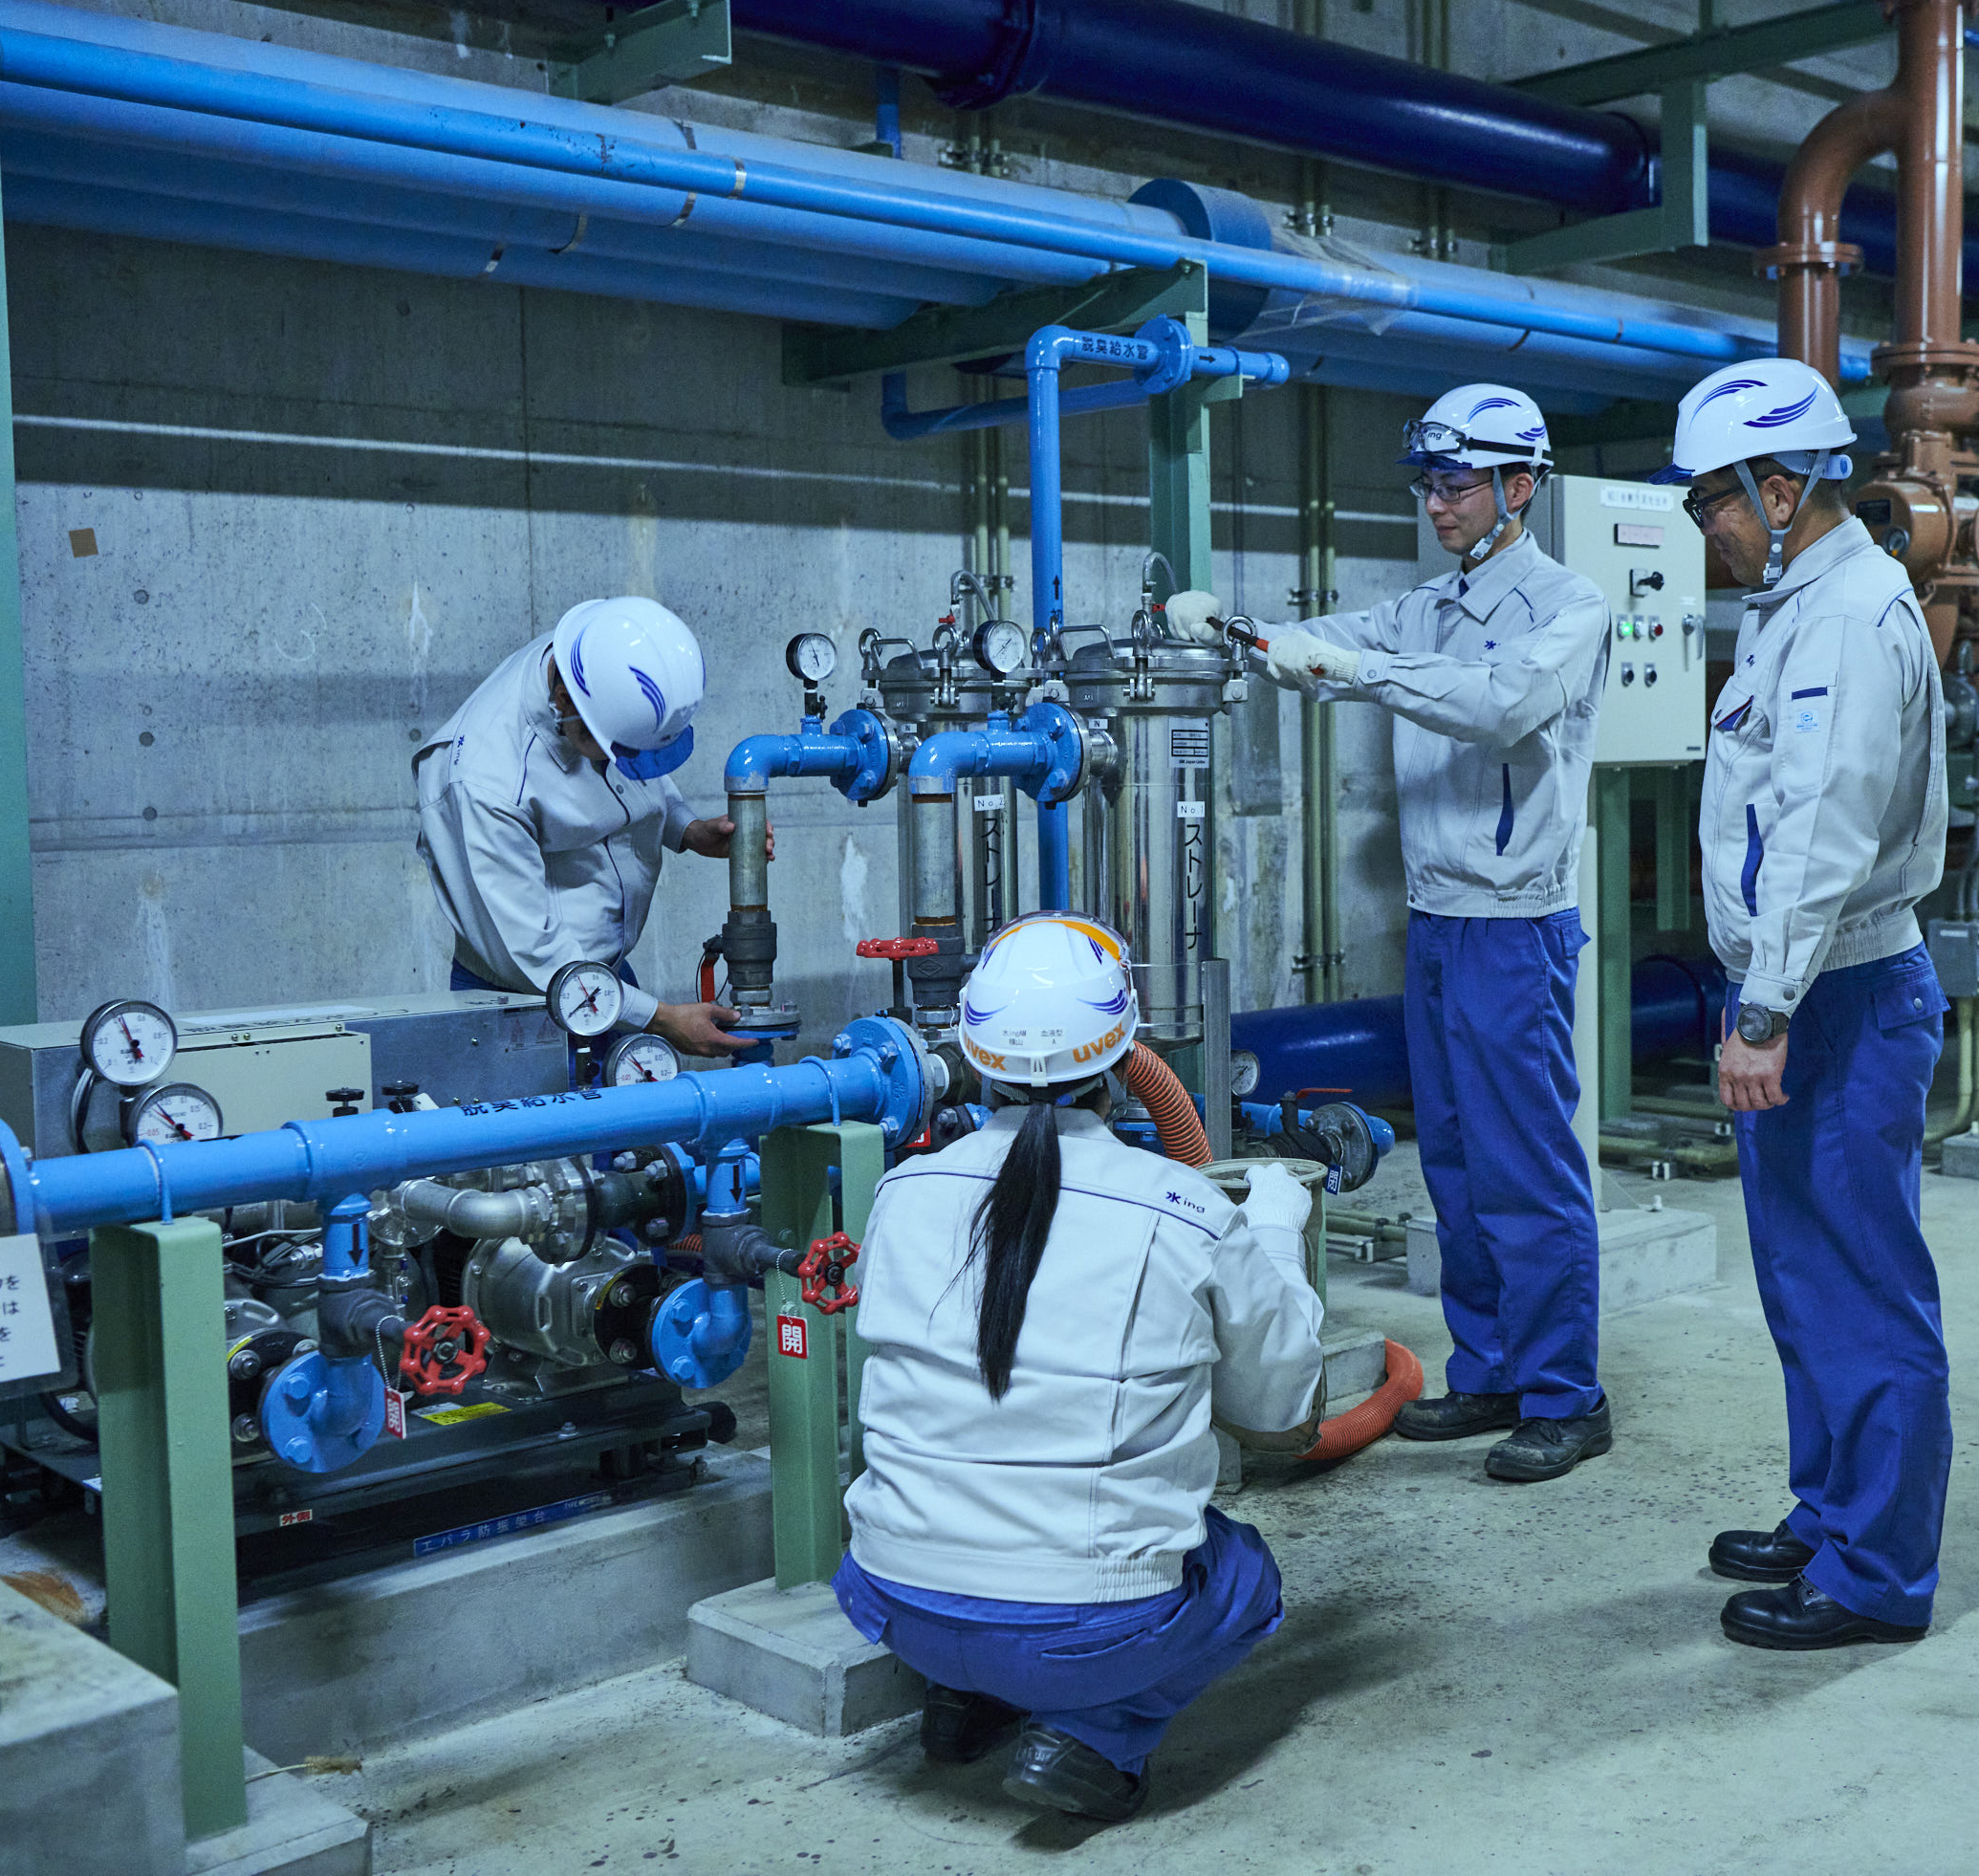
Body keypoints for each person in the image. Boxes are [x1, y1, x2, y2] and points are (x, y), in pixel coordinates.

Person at [1164, 382, 1613, 1483]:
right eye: (1428, 482)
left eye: (1456, 482)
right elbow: (1326, 643)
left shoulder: (1569, 605)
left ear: (1520, 484)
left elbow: (1500, 704)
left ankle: (1567, 1393)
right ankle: (1492, 1369)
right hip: (1440, 924)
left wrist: (1354, 670)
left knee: (1526, 1164)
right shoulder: (1429, 607)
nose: (1436, 502)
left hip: (1514, 924)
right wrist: (1237, 632)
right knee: (1453, 1159)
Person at [833, 911, 1326, 1823]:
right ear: (1125, 1056)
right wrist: (1273, 1235)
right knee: (1246, 1579)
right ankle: (1094, 1737)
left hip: (890, 1596)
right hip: (1084, 1632)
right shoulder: (1184, 1211)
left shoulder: (899, 1193)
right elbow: (1282, 1413)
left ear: (971, 1055)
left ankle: (963, 1696)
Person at [1663, 359, 1952, 1650]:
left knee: (1861, 1283)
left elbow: (1821, 831)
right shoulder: (1795, 606)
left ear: (1780, 490)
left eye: (1711, 502)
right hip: (1802, 985)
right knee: (1803, 1275)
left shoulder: (1844, 617)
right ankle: (1835, 1509)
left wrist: (1764, 1011)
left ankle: (1876, 1572)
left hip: (1837, 993)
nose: (1705, 528)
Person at [413, 595, 757, 1058]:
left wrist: (686, 828)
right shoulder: (486, 781)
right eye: (624, 753)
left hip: (607, 981)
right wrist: (662, 1019)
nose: (634, 763)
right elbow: (534, 950)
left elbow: (634, 765)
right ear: (563, 704)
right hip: (525, 998)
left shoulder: (596, 656)